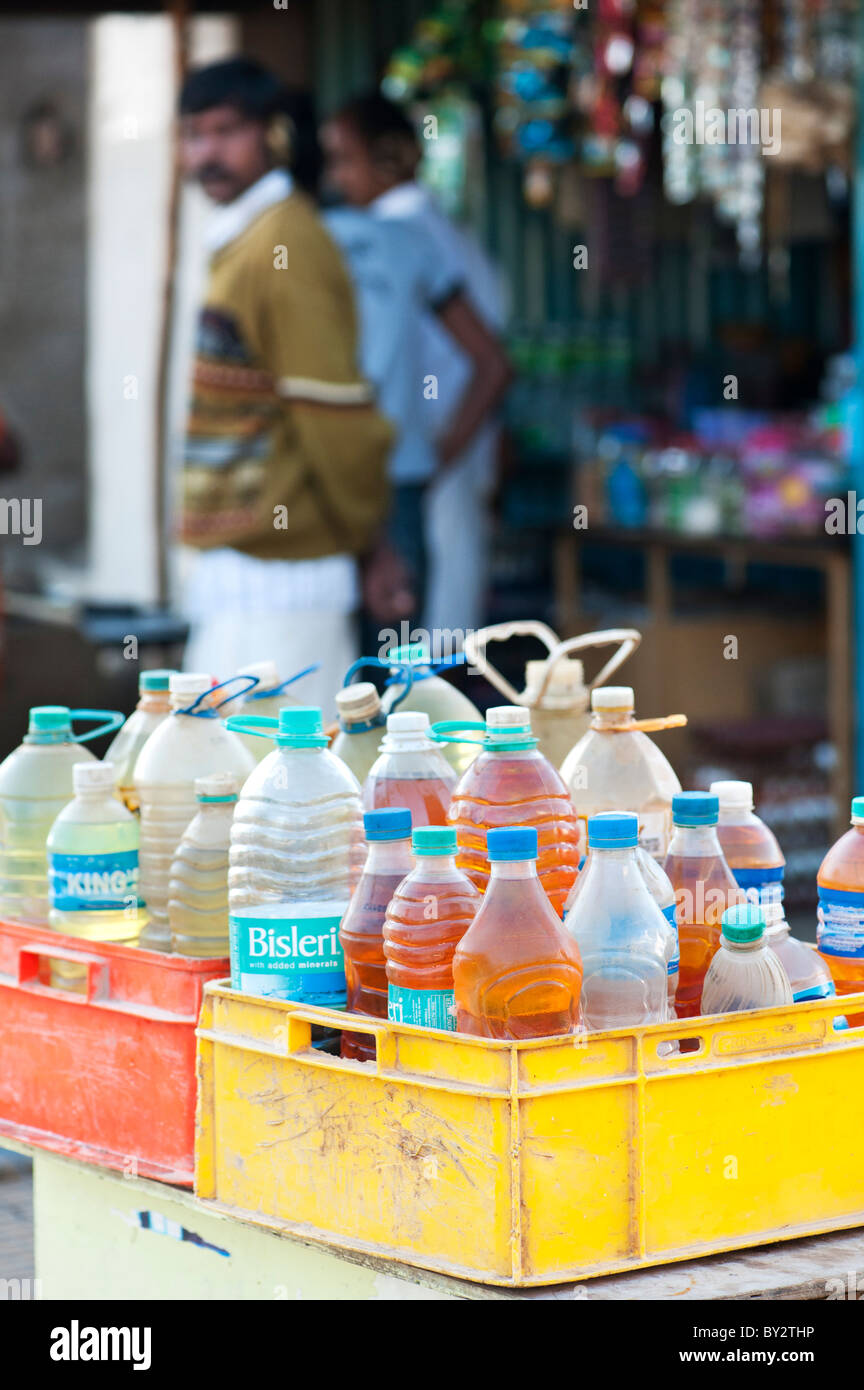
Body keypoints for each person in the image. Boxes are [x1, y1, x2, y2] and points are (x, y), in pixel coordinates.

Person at [176, 59, 403, 714]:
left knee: (277, 790)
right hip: (243, 571)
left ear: (273, 136)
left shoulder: (288, 242)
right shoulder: (247, 237)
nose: (208, 152)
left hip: (286, 576)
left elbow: (332, 412)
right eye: (195, 135)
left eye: (227, 132)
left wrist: (372, 540)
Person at [320, 93, 511, 639]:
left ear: (389, 156)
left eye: (345, 158)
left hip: (418, 470)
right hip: (432, 469)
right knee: (420, 664)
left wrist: (436, 457)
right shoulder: (442, 232)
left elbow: (491, 366)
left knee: (405, 668)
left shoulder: (387, 236)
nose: (337, 177)